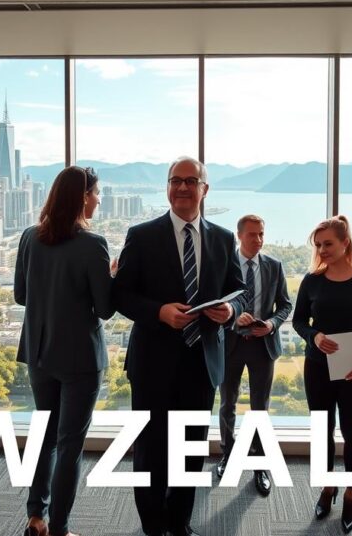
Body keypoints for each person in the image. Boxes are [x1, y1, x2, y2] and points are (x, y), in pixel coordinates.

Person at [113, 156, 246, 536]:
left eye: (191, 181)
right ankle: (153, 526)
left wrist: (230, 310)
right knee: (151, 450)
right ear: (167, 187)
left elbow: (238, 292)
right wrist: (159, 312)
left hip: (201, 363)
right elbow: (120, 294)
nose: (183, 187)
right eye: (175, 180)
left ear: (205, 189)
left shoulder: (223, 238)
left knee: (191, 449)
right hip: (152, 363)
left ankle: (179, 522)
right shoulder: (142, 235)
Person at [14, 166, 114, 536]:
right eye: (96, 194)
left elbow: (21, 295)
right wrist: (111, 276)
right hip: (80, 359)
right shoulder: (93, 245)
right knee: (70, 445)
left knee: (45, 436)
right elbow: (105, 308)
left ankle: (36, 517)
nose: (99, 200)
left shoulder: (30, 236)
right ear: (83, 197)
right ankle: (60, 528)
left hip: (40, 354)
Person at [292, 215, 352, 534]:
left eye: (328, 244)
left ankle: (350, 493)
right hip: (317, 368)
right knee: (322, 432)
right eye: (318, 245)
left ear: (345, 243)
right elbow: (299, 322)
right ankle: (327, 487)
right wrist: (315, 336)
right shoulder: (312, 280)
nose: (322, 250)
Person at [215, 214, 292, 497]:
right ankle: (228, 454)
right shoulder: (224, 265)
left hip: (262, 345)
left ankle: (260, 464)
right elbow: (214, 305)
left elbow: (285, 305)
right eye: (252, 234)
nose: (258, 239)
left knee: (260, 407)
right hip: (231, 344)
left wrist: (271, 324)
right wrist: (232, 318)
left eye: (261, 234)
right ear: (239, 236)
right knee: (228, 403)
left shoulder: (274, 266)